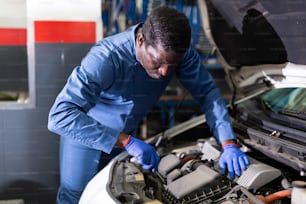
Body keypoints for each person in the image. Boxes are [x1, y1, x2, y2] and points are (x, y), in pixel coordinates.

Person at [48, 5, 250, 204]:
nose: (164, 72)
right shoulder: (106, 58)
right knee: (76, 196)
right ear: (140, 39)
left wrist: (227, 142)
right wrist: (126, 141)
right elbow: (60, 116)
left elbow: (207, 93)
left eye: (172, 65)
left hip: (125, 138)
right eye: (157, 62)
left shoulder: (182, 55)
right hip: (85, 135)